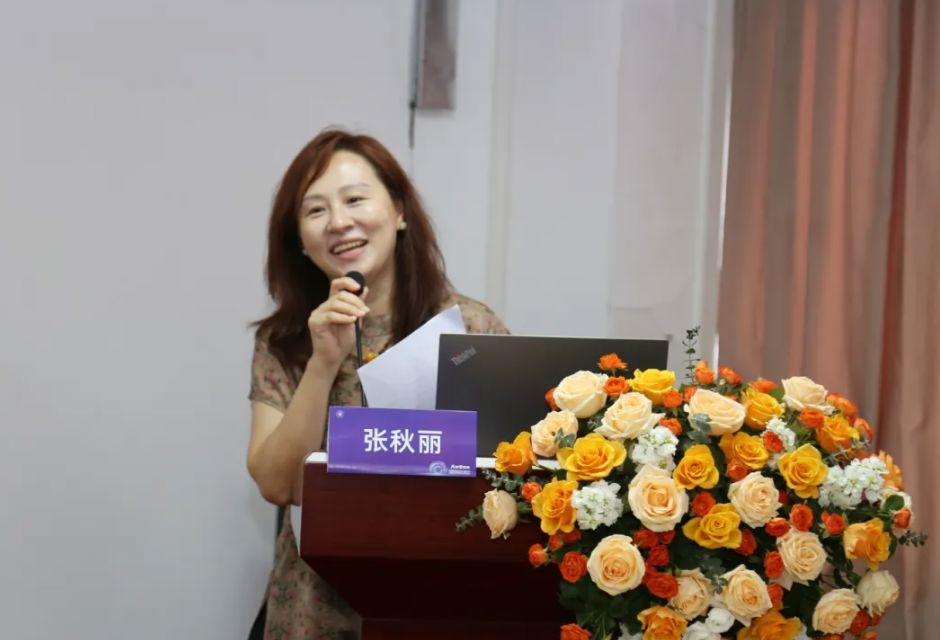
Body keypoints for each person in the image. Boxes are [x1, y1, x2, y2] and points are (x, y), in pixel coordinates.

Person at [246, 129, 508, 639]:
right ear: (299, 239)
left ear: (399, 211)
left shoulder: (469, 328)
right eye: (316, 210)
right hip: (318, 605)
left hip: (443, 597)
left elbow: (516, 470)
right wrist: (323, 363)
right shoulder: (285, 340)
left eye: (355, 199)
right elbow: (278, 485)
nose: (339, 222)